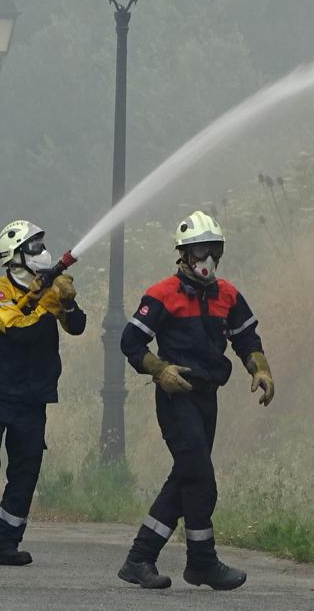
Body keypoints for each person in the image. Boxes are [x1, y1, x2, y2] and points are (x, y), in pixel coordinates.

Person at [117, 211, 276, 591]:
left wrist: (261, 370)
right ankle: (202, 562)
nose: (207, 259)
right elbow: (131, 342)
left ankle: (140, 559)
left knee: (187, 476)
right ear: (184, 255)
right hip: (176, 396)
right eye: (199, 250)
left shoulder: (228, 295)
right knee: (200, 478)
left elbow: (246, 340)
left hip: (208, 398)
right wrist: (160, 370)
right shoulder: (161, 294)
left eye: (213, 251)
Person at [0, 219, 86, 565]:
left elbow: (77, 326)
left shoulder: (51, 289)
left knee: (26, 468)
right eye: (34, 247)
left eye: (42, 245)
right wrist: (47, 302)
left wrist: (68, 303)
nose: (43, 253)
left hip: (34, 394)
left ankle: (6, 544)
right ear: (15, 257)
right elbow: (19, 329)